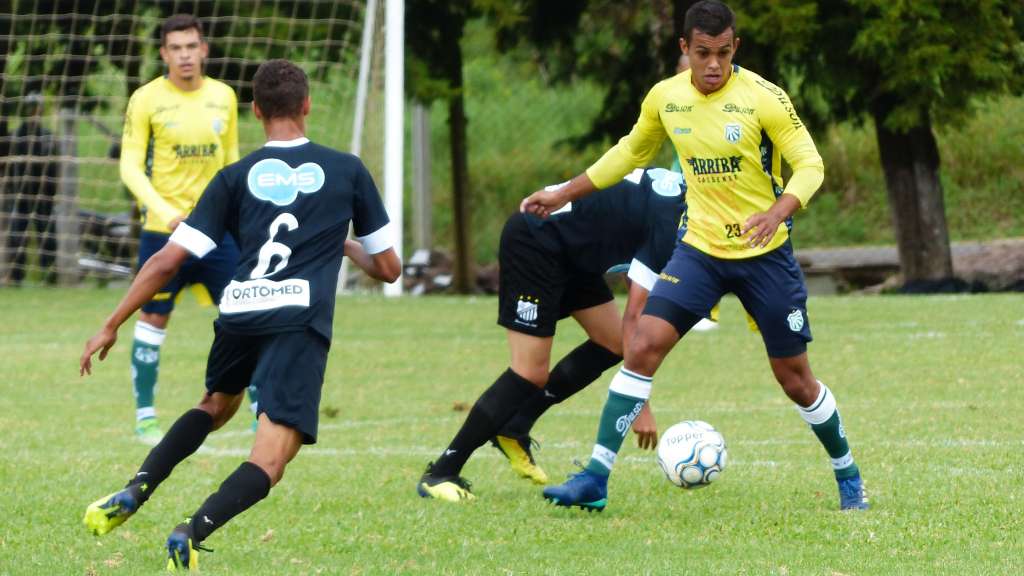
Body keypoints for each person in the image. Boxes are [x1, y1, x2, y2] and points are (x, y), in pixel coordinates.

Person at [524, 0, 868, 511]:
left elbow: (810, 166)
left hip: (764, 255)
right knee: (641, 346)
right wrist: (564, 193)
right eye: (703, 52)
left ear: (736, 49)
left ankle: (848, 475)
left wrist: (778, 211)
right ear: (683, 48)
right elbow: (629, 153)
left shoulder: (764, 98)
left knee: (794, 378)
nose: (713, 64)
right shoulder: (666, 98)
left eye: (723, 53)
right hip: (699, 252)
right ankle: (595, 478)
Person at [80, 58, 401, 570]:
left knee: (214, 405)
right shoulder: (347, 169)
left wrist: (111, 323)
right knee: (271, 460)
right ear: (307, 106)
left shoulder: (233, 177)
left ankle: (135, 489)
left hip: (240, 311)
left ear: (255, 112)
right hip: (298, 320)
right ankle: (192, 530)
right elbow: (388, 268)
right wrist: (344, 247)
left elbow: (167, 259)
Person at [418, 167, 685, 501]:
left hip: (575, 253)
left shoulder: (678, 190)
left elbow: (637, 275)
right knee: (529, 372)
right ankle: (441, 472)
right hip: (538, 240)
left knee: (612, 343)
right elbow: (635, 314)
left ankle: (514, 426)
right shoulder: (673, 215)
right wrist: (639, 405)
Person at [119, 14, 256, 444]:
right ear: (164, 54)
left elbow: (232, 163)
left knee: (247, 313)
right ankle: (145, 415)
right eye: (175, 48)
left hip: (218, 233)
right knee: (154, 315)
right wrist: (164, 210)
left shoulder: (224, 96)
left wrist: (239, 217)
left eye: (191, 46)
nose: (184, 55)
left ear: (204, 50)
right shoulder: (146, 99)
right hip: (165, 232)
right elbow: (130, 166)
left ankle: (261, 409)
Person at [4, 92, 58, 285]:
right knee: (18, 235)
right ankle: (17, 276)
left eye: (37, 108)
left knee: (48, 235)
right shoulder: (16, 136)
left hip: (44, 195)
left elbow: (54, 168)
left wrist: (51, 191)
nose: (34, 112)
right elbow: (10, 168)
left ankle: (49, 275)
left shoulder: (47, 137)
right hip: (21, 195)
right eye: (31, 108)